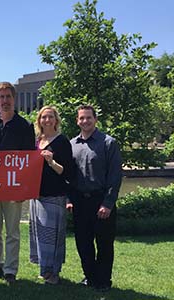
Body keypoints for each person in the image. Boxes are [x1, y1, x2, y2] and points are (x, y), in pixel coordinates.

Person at [0, 82, 35, 284]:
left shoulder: (25, 126)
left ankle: (11, 270)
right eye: (1, 97)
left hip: (14, 188)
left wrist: (24, 189)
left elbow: (29, 161)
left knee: (12, 231)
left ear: (14, 99)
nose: (5, 101)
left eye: (8, 97)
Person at [69, 104, 122, 292]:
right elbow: (69, 176)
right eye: (81, 118)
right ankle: (90, 277)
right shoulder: (72, 144)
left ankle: (104, 281)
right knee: (83, 243)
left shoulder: (108, 143)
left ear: (95, 119)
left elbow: (115, 176)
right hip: (80, 202)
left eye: (88, 118)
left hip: (101, 201)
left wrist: (108, 204)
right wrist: (69, 199)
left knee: (104, 244)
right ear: (77, 121)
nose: (85, 121)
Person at [29, 106, 74, 285]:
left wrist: (51, 161)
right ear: (39, 121)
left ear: (56, 120)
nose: (46, 120)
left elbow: (66, 171)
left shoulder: (62, 141)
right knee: (40, 235)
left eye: (50, 117)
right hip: (37, 195)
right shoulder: (37, 140)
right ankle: (44, 270)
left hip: (54, 195)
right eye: (43, 117)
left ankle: (54, 272)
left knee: (53, 236)